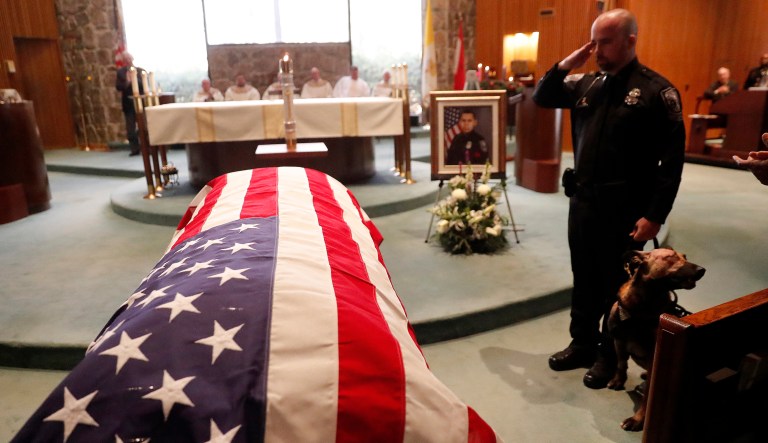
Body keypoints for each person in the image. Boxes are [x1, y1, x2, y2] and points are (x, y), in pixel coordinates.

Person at [532, 8, 686, 389]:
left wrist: (656, 214)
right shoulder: (588, 84)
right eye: (594, 41)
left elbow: (673, 161)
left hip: (626, 209)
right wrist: (571, 61)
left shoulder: (656, 91)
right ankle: (581, 343)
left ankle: (606, 355)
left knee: (614, 285)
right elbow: (543, 95)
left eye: (605, 42)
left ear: (630, 40)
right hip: (582, 202)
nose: (597, 50)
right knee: (583, 277)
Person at [114, 51, 144, 156]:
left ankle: (146, 147)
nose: (128, 60)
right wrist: (127, 81)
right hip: (128, 104)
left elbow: (144, 86)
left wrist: (134, 79)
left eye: (129, 58)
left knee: (143, 126)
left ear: (132, 58)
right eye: (125, 59)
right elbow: (118, 87)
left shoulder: (140, 71)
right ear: (123, 61)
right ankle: (134, 149)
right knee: (130, 128)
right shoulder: (121, 72)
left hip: (141, 103)